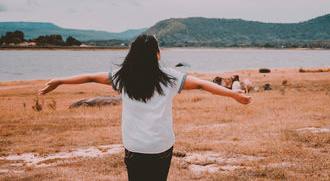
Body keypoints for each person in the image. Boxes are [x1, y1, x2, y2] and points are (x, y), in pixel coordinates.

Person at [38, 34, 252, 181]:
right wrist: (232, 93)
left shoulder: (122, 77)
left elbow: (90, 77)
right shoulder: (170, 77)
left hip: (135, 146)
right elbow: (202, 84)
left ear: (133, 54)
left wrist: (60, 80)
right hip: (161, 146)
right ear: (157, 54)